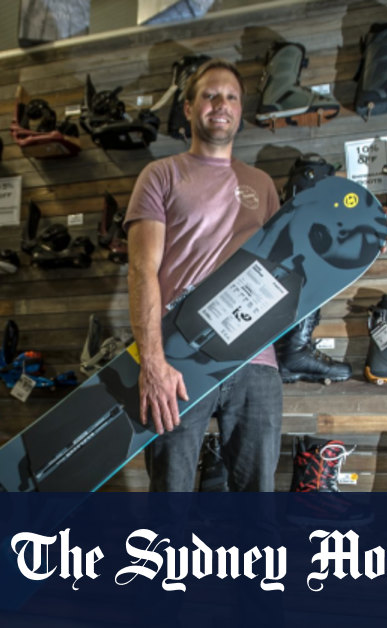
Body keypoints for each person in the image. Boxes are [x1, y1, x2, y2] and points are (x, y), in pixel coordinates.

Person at [124, 59, 283, 492]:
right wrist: (152, 362)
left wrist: (370, 234)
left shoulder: (263, 184)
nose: (221, 104)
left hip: (256, 362)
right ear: (190, 108)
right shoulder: (161, 175)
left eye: (231, 97)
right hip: (181, 362)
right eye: (210, 95)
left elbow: (290, 266)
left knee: (259, 504)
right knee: (170, 502)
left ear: (241, 111)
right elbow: (142, 271)